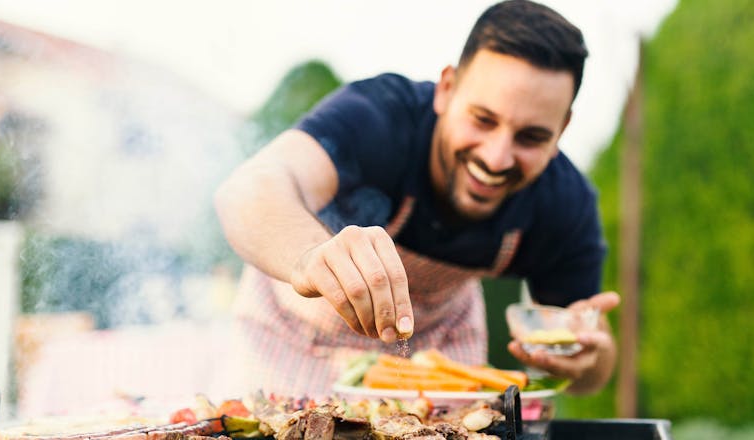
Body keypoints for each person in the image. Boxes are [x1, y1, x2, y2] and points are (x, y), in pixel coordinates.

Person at [214, 0, 618, 397]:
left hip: (437, 359)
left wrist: (586, 359)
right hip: (293, 342)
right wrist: (309, 257)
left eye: (531, 137)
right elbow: (249, 190)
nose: (496, 158)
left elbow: (592, 372)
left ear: (561, 129)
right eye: (482, 119)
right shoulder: (380, 116)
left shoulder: (565, 203)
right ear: (446, 89)